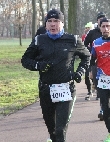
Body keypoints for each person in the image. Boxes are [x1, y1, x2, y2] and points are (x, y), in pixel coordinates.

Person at [21, 8, 90, 142]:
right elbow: (25, 60)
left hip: (66, 89)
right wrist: (38, 66)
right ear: (46, 24)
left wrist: (80, 71)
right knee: (52, 131)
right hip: (45, 89)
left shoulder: (73, 40)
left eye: (56, 21)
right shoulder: (39, 40)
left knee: (60, 130)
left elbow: (87, 57)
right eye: (50, 21)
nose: (53, 24)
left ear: (62, 23)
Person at [90, 17, 110, 142]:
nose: (106, 29)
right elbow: (92, 60)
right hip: (102, 80)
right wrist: (91, 74)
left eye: (108, 26)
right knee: (105, 110)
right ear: (100, 27)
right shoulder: (96, 43)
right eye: (103, 26)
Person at [84, 12, 106, 120]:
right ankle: (103, 108)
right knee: (101, 88)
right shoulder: (92, 33)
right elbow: (84, 45)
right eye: (100, 19)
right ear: (97, 21)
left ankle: (104, 108)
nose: (105, 28)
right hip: (96, 63)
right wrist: (89, 52)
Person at [81, 22, 94, 100]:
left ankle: (98, 90)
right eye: (86, 28)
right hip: (87, 58)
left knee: (95, 76)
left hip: (95, 59)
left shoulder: (95, 35)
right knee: (86, 76)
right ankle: (89, 91)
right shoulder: (83, 37)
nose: (86, 29)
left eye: (88, 28)